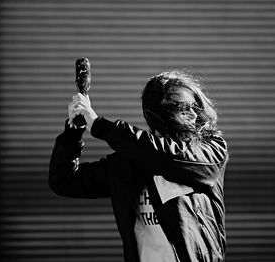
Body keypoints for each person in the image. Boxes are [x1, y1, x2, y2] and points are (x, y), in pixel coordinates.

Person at [49, 70, 229, 262]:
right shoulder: (127, 164)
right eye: (184, 107)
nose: (193, 114)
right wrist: (73, 131)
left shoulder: (210, 150)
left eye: (195, 106)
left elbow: (166, 155)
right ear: (159, 111)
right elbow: (64, 180)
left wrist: (100, 125)